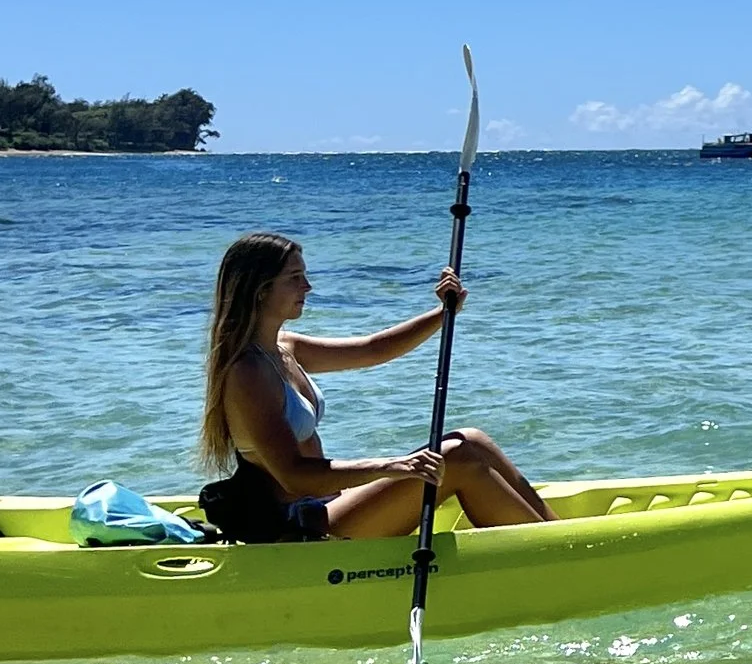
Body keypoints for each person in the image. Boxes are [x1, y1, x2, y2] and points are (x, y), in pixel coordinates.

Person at [197, 230, 551, 545]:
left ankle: (558, 535)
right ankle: (553, 554)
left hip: (329, 505)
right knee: (457, 459)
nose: (308, 287)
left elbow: (372, 349)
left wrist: (444, 313)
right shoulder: (247, 373)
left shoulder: (284, 348)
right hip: (302, 527)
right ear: (260, 291)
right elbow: (294, 477)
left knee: (470, 440)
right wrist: (393, 466)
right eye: (295, 277)